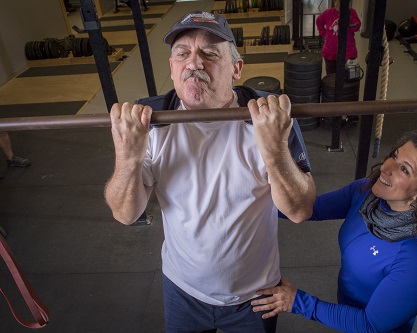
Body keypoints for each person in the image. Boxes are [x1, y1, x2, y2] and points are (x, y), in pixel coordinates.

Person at [104, 11, 316, 333]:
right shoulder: (150, 121)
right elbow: (124, 213)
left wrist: (273, 150)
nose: (194, 63)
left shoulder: (268, 118)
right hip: (182, 291)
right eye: (183, 54)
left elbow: (300, 210)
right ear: (172, 68)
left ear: (236, 68)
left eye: (209, 53)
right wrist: (128, 157)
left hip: (254, 297)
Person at [251, 130, 417, 332]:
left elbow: (370, 325)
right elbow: (309, 209)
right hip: (346, 307)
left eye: (404, 170)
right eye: (394, 155)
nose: (386, 167)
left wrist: (297, 302)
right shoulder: (365, 192)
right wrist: (252, 198)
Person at [316, 0, 361, 75]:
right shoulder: (328, 12)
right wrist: (324, 34)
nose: (340, 4)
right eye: (338, 1)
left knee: (347, 77)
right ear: (334, 2)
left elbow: (356, 27)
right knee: (331, 77)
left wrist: (347, 14)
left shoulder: (352, 12)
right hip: (330, 52)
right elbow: (319, 21)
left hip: (348, 52)